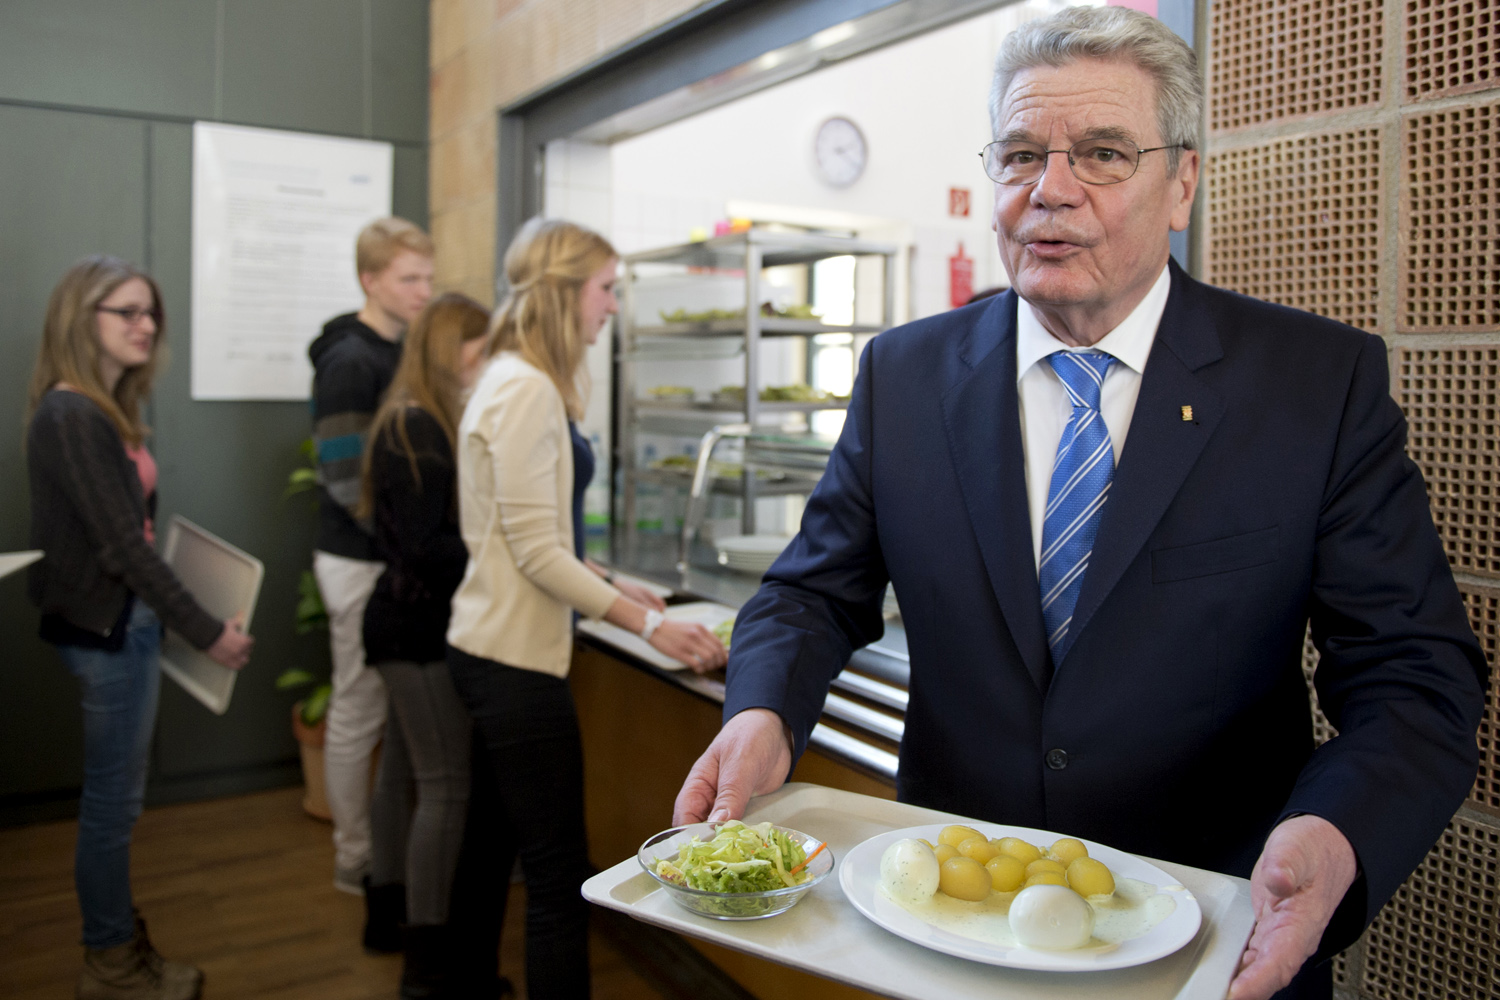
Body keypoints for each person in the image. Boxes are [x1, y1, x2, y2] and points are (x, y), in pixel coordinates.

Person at [671, 9, 1487, 1000]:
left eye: (1102, 153)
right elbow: (812, 594)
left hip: (1214, 943)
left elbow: (1413, 675)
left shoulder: (1315, 385)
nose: (1049, 190)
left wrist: (1337, 829)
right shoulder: (903, 376)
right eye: (1020, 154)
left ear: (1181, 181)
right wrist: (763, 707)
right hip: (946, 933)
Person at [446, 217, 728, 999]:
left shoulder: (505, 376)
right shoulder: (529, 389)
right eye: (606, 289)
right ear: (567, 292)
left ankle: (457, 983)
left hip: (482, 643)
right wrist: (648, 622)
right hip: (513, 660)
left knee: (486, 841)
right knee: (560, 873)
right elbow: (534, 552)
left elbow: (524, 530)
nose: (611, 307)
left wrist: (610, 578)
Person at [26, 255, 255, 1000]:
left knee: (116, 804)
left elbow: (131, 534)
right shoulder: (70, 415)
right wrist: (205, 629)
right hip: (109, 633)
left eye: (150, 312)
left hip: (124, 625)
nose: (146, 324)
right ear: (79, 319)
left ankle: (118, 949)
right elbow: (124, 548)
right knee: (111, 809)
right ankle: (111, 965)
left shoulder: (97, 411)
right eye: (125, 311)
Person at [358, 293, 492, 996]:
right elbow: (425, 547)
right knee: (445, 787)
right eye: (479, 345)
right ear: (452, 347)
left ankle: (387, 917)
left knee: (401, 776)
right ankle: (427, 962)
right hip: (416, 630)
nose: (487, 357)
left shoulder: (412, 417)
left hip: (397, 623)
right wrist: (497, 548)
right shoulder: (418, 425)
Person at [309, 216, 435, 895]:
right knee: (358, 706)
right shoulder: (351, 361)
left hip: (388, 559)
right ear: (370, 280)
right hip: (358, 560)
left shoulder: (399, 351)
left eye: (428, 278)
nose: (423, 291)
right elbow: (341, 479)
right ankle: (352, 856)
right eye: (408, 278)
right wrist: (406, 543)